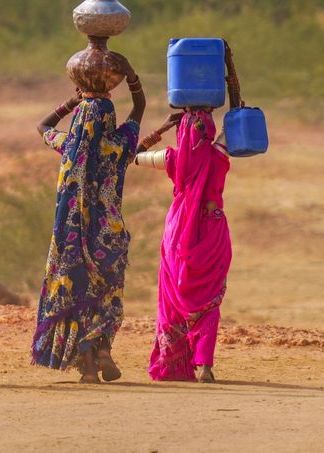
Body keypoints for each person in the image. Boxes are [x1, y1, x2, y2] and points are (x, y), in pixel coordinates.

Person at [31, 55, 145, 383]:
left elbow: (42, 127)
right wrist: (131, 75)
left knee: (78, 294)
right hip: (109, 232)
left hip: (73, 234)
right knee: (108, 294)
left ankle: (90, 369)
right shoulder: (118, 144)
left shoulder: (69, 146)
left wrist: (74, 99)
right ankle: (104, 347)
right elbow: (139, 107)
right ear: (109, 121)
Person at [135, 107, 232, 383]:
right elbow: (232, 127)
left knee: (173, 297)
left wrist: (163, 128)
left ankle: (175, 362)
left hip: (177, 234)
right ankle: (204, 366)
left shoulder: (172, 158)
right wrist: (231, 100)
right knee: (209, 300)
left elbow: (133, 156)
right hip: (211, 232)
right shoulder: (219, 154)